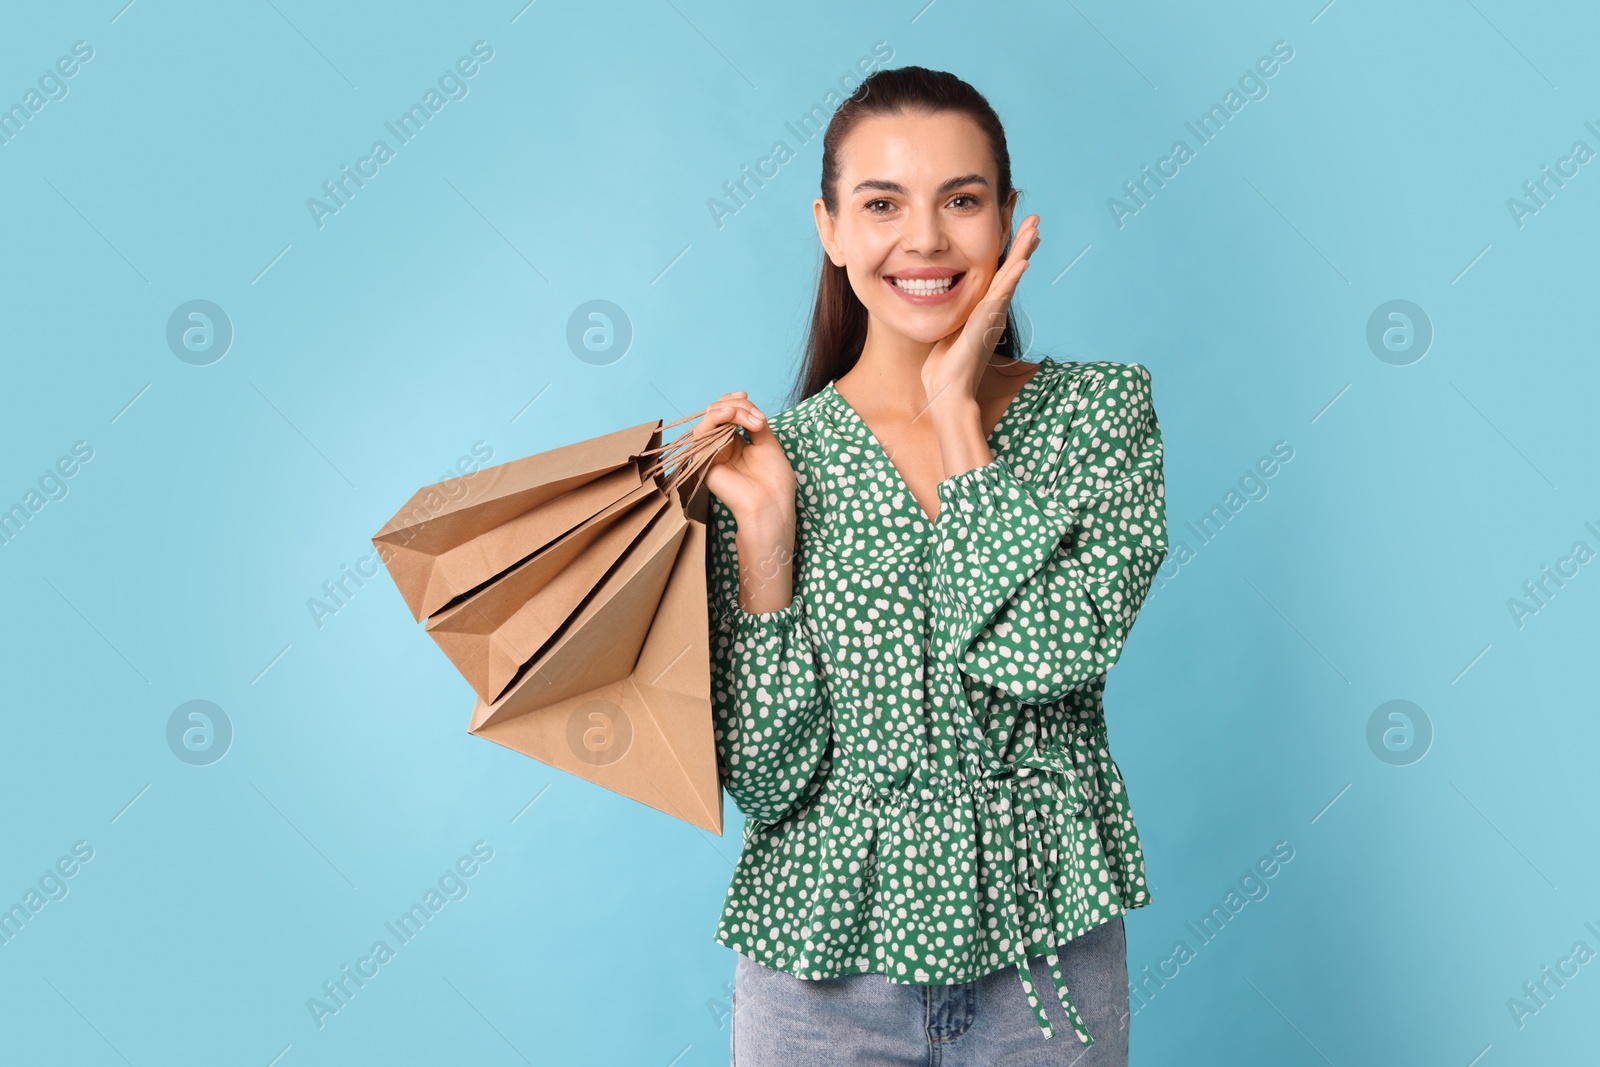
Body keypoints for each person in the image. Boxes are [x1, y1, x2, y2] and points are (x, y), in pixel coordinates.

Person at [692, 65, 1168, 1066]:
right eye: (881, 204)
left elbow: (1046, 657)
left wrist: (957, 415)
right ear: (828, 228)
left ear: (1007, 218)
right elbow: (770, 782)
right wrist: (768, 545)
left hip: (1045, 959)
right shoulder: (771, 465)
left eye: (961, 199)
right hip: (817, 977)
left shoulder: (1099, 415)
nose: (925, 238)